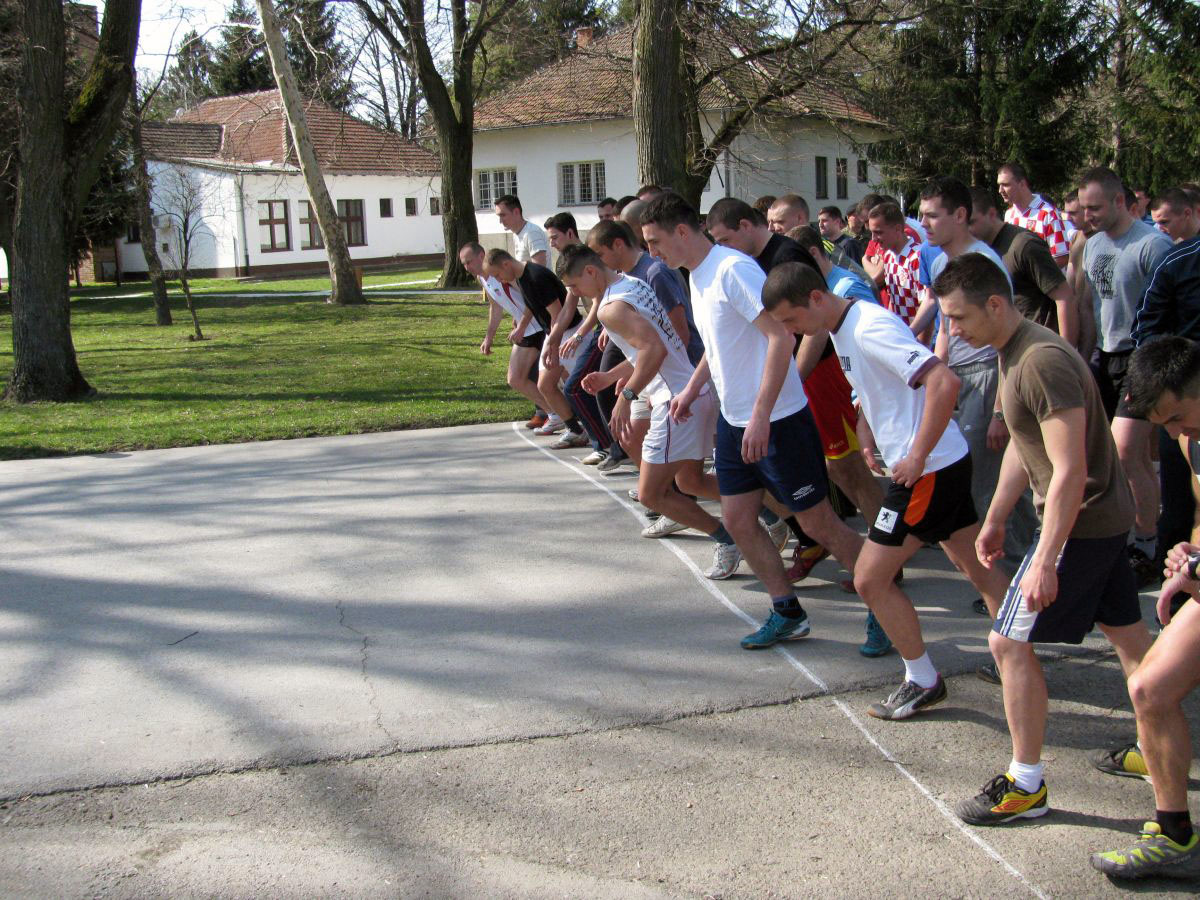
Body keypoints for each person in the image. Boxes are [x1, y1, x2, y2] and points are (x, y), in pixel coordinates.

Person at [932, 253, 1153, 827]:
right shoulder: (1013, 350)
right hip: (1098, 520)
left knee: (1007, 644)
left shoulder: (1041, 361)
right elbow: (1022, 444)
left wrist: (1045, 559)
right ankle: (1156, 747)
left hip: (1082, 523)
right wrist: (996, 516)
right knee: (1130, 641)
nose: (952, 330)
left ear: (995, 304)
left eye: (958, 318)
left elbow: (1070, 469)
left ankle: (1026, 785)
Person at [762, 261, 1011, 716]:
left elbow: (944, 380)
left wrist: (916, 454)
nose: (792, 332)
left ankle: (923, 680)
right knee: (974, 562)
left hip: (927, 470)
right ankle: (1017, 653)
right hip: (939, 462)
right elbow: (877, 385)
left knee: (870, 578)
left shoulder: (869, 326)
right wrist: (866, 427)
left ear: (816, 298)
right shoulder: (841, 327)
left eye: (791, 320)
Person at [640, 192, 865, 650]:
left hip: (778, 418)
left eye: (654, 241)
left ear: (681, 231)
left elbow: (782, 337)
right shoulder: (696, 275)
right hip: (735, 419)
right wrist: (692, 388)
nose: (651, 252)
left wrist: (761, 415)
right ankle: (787, 612)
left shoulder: (732, 269)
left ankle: (881, 598)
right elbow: (719, 345)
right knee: (738, 519)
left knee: (817, 523)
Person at [1089, 337, 1200, 880]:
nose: (1175, 432)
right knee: (1149, 689)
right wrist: (1189, 555)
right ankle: (1175, 837)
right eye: (1164, 425)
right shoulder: (1192, 438)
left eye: (1177, 416)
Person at [561, 245, 741, 577]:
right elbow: (653, 347)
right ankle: (770, 514)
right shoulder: (633, 284)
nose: (575, 293)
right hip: (693, 391)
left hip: (675, 403)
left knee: (651, 494)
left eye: (574, 285)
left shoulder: (610, 309)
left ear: (590, 272)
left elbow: (654, 350)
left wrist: (626, 396)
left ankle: (729, 539)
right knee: (690, 481)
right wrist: (611, 376)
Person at [1081, 166, 1174, 584]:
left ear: (1120, 201)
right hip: (1104, 357)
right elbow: (1089, 307)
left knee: (1125, 453)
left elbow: (1170, 309)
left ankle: (1146, 546)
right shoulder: (1092, 244)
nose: (1088, 216)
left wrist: (1157, 368)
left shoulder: (1153, 245)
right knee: (1116, 457)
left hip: (1142, 358)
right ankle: (1128, 538)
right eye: (1084, 208)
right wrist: (1083, 357)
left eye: (1096, 208)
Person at [588, 218, 703, 483]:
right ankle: (662, 494)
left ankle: (660, 494)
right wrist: (614, 375)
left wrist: (650, 386)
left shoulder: (654, 273)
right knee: (630, 436)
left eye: (599, 254)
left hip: (681, 373)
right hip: (655, 373)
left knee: (688, 475)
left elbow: (677, 335)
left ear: (618, 245)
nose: (595, 263)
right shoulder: (624, 279)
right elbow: (648, 345)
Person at [484, 248, 591, 448]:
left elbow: (557, 313)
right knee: (545, 386)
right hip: (554, 334)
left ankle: (601, 430)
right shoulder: (521, 279)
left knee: (582, 386)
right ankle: (576, 430)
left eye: (497, 274)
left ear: (506, 264)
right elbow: (534, 308)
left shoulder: (536, 276)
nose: (499, 280)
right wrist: (522, 324)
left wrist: (552, 343)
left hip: (570, 333)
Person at [968, 186, 1078, 346]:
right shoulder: (983, 250)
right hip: (1013, 348)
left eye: (971, 222)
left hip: (1043, 347)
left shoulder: (1023, 245)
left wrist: (1067, 352)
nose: (967, 230)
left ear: (991, 214)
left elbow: (1065, 298)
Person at [543, 212, 615, 457]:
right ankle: (608, 444)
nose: (552, 243)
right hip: (601, 329)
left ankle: (606, 445)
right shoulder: (571, 266)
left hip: (605, 328)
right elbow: (568, 307)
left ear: (570, 233)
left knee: (578, 387)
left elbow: (598, 302)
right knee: (582, 386)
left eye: (555, 237)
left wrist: (579, 335)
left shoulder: (587, 262)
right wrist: (553, 339)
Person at [459, 241, 547, 419]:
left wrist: (521, 325)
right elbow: (496, 307)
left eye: (469, 262)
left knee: (546, 377)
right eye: (464, 264)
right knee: (516, 379)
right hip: (525, 331)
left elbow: (532, 298)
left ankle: (555, 413)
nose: (467, 267)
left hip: (539, 327)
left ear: (481, 256)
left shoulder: (505, 275)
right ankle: (552, 413)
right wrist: (488, 337)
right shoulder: (482, 279)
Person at [997, 162, 1071, 268]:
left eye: (1005, 185)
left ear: (1022, 184)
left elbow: (1061, 257)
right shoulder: (1009, 214)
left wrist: (1035, 275)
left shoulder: (1048, 213)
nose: (1000, 190)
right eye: (999, 185)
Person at [867, 202, 924, 327]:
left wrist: (915, 337)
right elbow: (893, 300)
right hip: (901, 332)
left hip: (915, 335)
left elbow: (925, 306)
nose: (873, 239)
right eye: (872, 232)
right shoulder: (888, 256)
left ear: (898, 229)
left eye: (878, 232)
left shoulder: (917, 257)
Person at [494, 194, 548, 267]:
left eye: (503, 215)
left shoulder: (532, 232)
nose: (500, 221)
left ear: (516, 212)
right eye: (499, 216)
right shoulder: (517, 233)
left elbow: (540, 269)